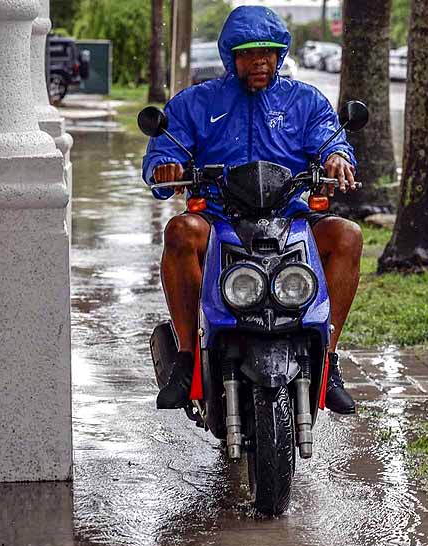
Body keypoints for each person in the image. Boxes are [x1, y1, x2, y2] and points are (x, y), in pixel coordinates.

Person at [143, 6, 360, 414]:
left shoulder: (305, 101)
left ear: (280, 55)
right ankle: (187, 358)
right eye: (248, 53)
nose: (259, 61)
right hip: (220, 216)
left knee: (348, 235)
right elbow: (165, 151)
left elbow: (332, 139)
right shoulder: (197, 102)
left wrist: (336, 157)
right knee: (179, 231)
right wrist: (165, 167)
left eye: (268, 52)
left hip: (290, 216)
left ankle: (328, 361)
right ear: (231, 57)